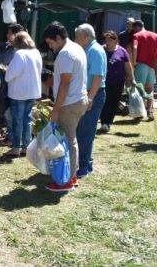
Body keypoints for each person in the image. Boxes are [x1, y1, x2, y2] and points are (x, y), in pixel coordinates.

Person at [42, 21, 88, 192]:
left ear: (59, 37)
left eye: (50, 42)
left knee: (68, 141)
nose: (50, 46)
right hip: (77, 101)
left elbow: (65, 84)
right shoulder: (77, 48)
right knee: (70, 139)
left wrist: (56, 109)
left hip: (69, 103)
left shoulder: (65, 54)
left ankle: (66, 181)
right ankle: (72, 176)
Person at [73, 24, 107, 179]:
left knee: (85, 132)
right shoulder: (87, 49)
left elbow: (98, 77)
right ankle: (88, 162)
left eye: (77, 37)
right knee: (83, 130)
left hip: (93, 94)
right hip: (88, 94)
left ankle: (84, 167)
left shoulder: (95, 51)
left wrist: (90, 98)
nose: (75, 40)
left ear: (86, 37)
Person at [1, 31, 42, 158]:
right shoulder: (36, 52)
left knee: (17, 121)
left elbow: (10, 76)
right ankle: (26, 147)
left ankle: (15, 148)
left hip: (19, 92)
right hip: (32, 91)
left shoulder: (19, 54)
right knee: (27, 120)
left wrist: (6, 70)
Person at [0, 23, 25, 145]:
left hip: (12, 85)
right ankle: (14, 137)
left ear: (17, 35)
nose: (7, 35)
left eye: (9, 33)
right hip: (12, 84)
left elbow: (2, 59)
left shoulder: (15, 50)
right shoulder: (10, 46)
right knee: (10, 112)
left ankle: (13, 138)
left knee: (9, 112)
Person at [99, 30, 135, 133]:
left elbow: (128, 66)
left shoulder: (122, 51)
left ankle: (109, 122)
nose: (108, 43)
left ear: (116, 41)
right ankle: (104, 122)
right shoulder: (101, 50)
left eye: (110, 40)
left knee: (114, 102)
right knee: (106, 101)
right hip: (104, 81)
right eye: (106, 40)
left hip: (118, 81)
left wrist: (132, 79)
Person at [132, 19, 157, 120]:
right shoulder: (155, 35)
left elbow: (135, 47)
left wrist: (134, 62)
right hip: (152, 66)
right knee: (149, 89)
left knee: (139, 88)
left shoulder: (137, 35)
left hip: (141, 64)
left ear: (136, 27)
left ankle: (140, 111)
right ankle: (150, 111)